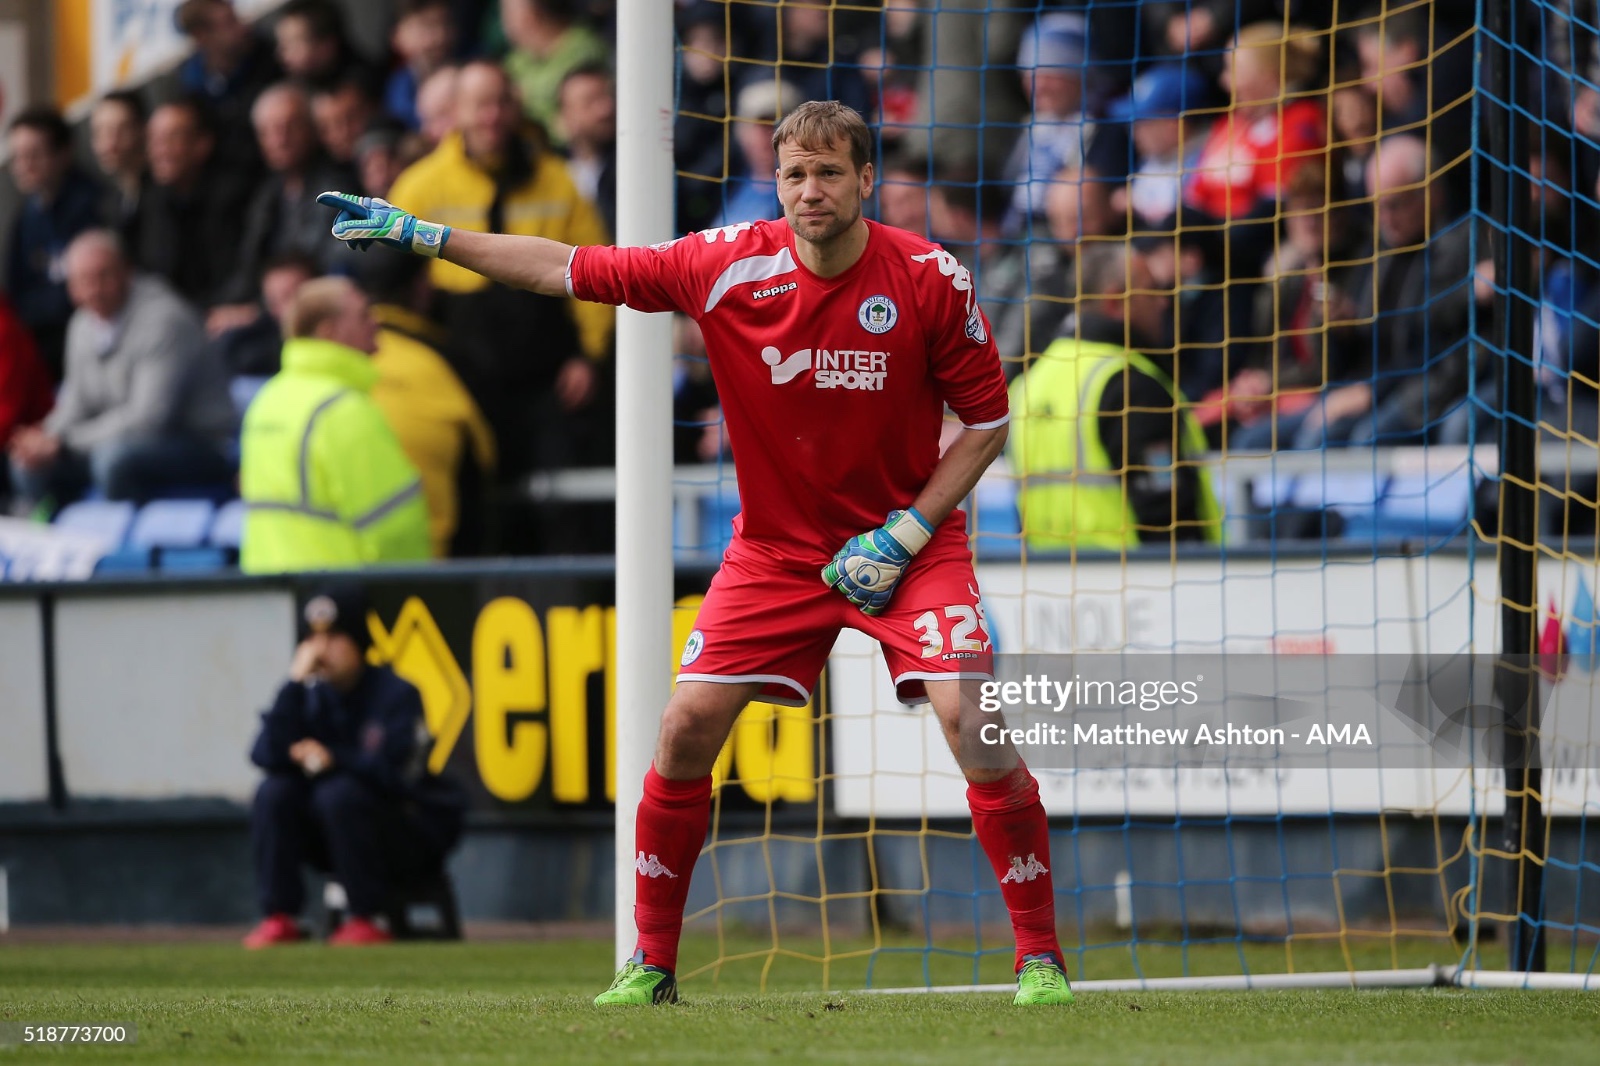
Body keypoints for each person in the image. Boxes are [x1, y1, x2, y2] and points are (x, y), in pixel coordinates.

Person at [318, 99, 1075, 1007]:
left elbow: (988, 420)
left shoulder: (929, 278)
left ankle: (1040, 958)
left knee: (973, 719)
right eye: (795, 173)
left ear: (867, 181)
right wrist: (425, 234)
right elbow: (562, 266)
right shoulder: (724, 264)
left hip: (908, 545)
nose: (810, 191)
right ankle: (651, 966)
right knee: (681, 730)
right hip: (776, 555)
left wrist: (905, 533)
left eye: (831, 173)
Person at [383, 60, 611, 479]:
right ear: (457, 111)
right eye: (480, 105)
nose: (492, 117)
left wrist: (588, 357)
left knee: (559, 499)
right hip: (463, 371)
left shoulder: (556, 180)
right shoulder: (421, 185)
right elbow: (387, 283)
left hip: (549, 375)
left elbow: (592, 269)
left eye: (502, 103)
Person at [244, 581, 466, 948]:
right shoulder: (308, 696)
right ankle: (280, 916)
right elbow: (263, 753)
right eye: (313, 641)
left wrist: (335, 760)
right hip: (330, 836)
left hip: (402, 833)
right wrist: (293, 684)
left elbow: (399, 776)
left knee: (339, 794)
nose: (321, 650)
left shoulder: (397, 695)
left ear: (358, 641)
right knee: (274, 791)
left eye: (333, 638)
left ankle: (367, 916)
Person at [1007, 242, 1223, 550]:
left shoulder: (1029, 384)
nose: (1163, 303)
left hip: (1051, 584)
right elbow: (1167, 511)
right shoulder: (1129, 385)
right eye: (1152, 290)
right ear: (1114, 301)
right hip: (1136, 585)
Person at [8, 231, 236, 509]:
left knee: (113, 460)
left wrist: (64, 442)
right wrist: (44, 438)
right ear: (71, 287)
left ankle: (136, 546)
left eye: (104, 275)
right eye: (83, 279)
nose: (95, 288)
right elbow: (76, 404)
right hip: (122, 440)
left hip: (199, 442)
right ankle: (64, 542)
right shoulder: (81, 325)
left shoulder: (164, 319)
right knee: (27, 463)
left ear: (127, 271)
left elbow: (149, 419)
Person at [238, 276, 430, 572]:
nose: (376, 321)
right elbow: (394, 529)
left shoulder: (267, 400)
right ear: (329, 331)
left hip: (271, 593)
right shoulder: (344, 410)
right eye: (364, 314)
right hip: (341, 598)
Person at [364, 253, 497, 558]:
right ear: (421, 286)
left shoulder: (329, 366)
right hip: (431, 551)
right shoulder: (444, 360)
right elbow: (485, 453)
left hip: (335, 562)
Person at [5, 107, 105, 379]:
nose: (24, 166)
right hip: (39, 338)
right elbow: (15, 292)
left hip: (84, 339)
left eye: (34, 155)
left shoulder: (93, 206)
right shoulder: (24, 218)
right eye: (18, 157)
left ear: (63, 153)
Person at [137, 97, 255, 309]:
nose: (160, 150)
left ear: (203, 144)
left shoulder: (233, 196)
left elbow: (241, 273)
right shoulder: (153, 203)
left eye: (172, 138)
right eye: (154, 140)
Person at [500, 0, 611, 144]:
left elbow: (571, 124)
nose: (504, 24)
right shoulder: (517, 60)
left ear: (532, 13)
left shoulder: (584, 49)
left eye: (508, 13)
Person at [556, 63, 617, 237]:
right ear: (565, 115)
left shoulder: (636, 166)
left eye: (609, 97)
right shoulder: (547, 168)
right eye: (590, 101)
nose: (606, 109)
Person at [89, 91, 151, 248]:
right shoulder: (108, 205)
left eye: (121, 130)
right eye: (100, 133)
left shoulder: (166, 193)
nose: (109, 144)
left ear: (143, 130)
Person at [385, 0, 458, 131]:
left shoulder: (471, 73)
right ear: (398, 36)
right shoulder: (398, 88)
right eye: (428, 26)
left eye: (445, 24)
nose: (440, 36)